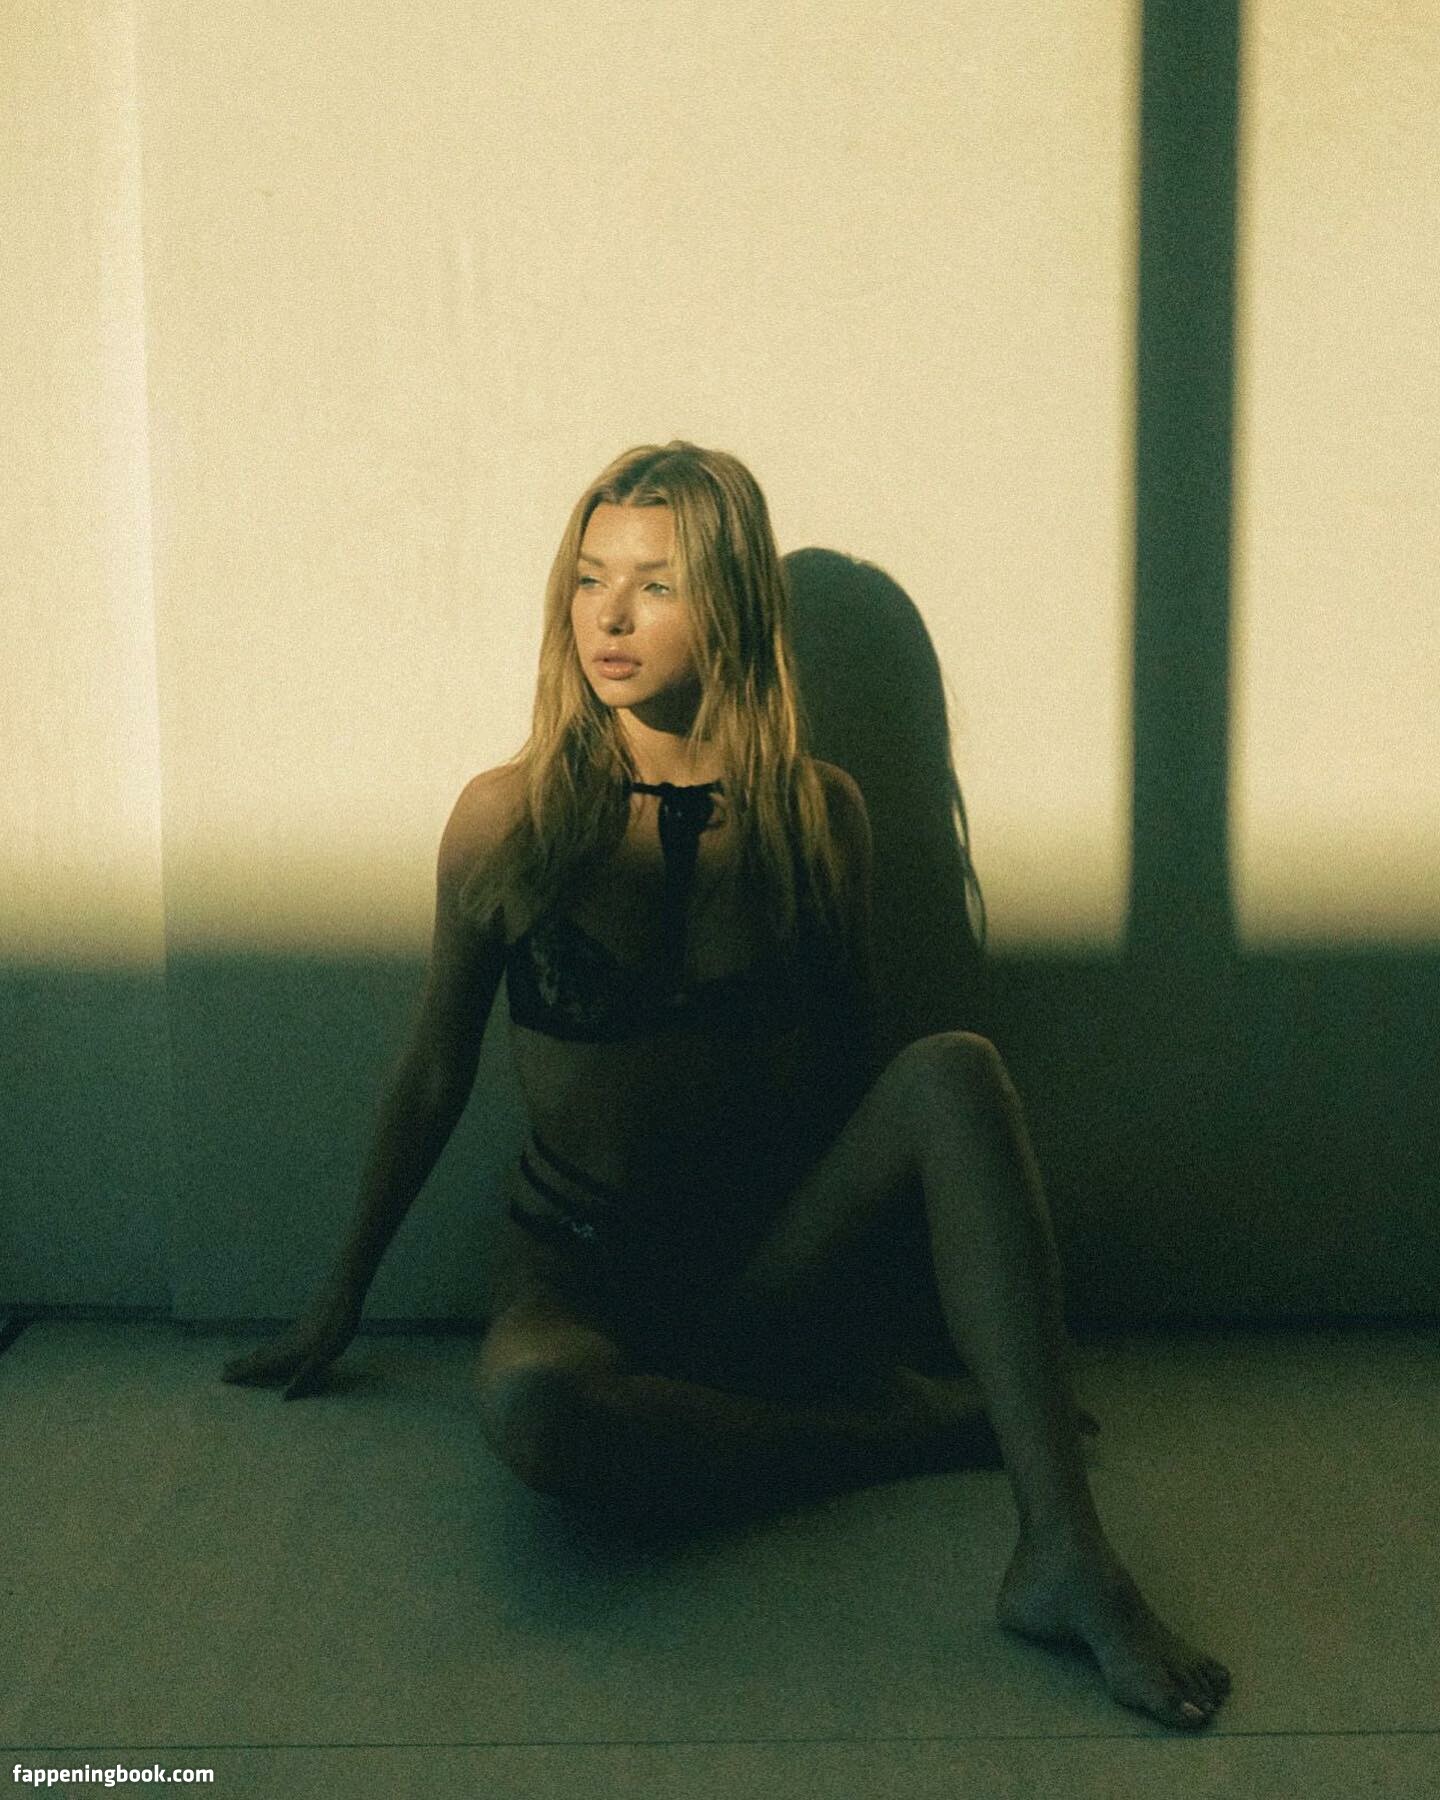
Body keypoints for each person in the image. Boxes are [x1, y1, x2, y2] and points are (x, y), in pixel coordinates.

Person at [223, 441, 1231, 1730]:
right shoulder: (506, 817)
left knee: (955, 1072)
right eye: (590, 578)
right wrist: (338, 1302)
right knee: (534, 1415)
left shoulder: (818, 817)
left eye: (655, 584)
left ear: (734, 607)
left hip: (762, 1265)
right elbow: (433, 1072)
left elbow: (854, 1079)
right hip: (582, 1280)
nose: (610, 616)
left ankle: (1066, 1554)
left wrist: (890, 1310)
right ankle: (903, 1440)